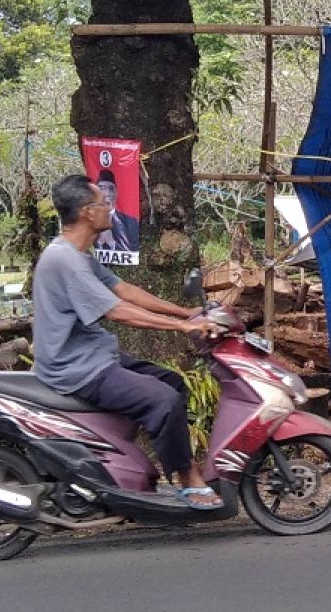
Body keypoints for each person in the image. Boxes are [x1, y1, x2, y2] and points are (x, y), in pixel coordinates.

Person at [32, 174, 221, 509]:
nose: (110, 209)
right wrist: (180, 328)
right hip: (76, 368)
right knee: (162, 401)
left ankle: (125, 463)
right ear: (88, 212)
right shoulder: (65, 260)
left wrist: (186, 312)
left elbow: (124, 290)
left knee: (173, 382)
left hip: (93, 355)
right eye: (104, 204)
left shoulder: (79, 255)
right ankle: (187, 477)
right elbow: (118, 311)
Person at [94, 169, 140, 253]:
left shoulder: (131, 223)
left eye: (111, 189)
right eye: (101, 188)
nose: (107, 193)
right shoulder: (87, 220)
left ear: (117, 192)